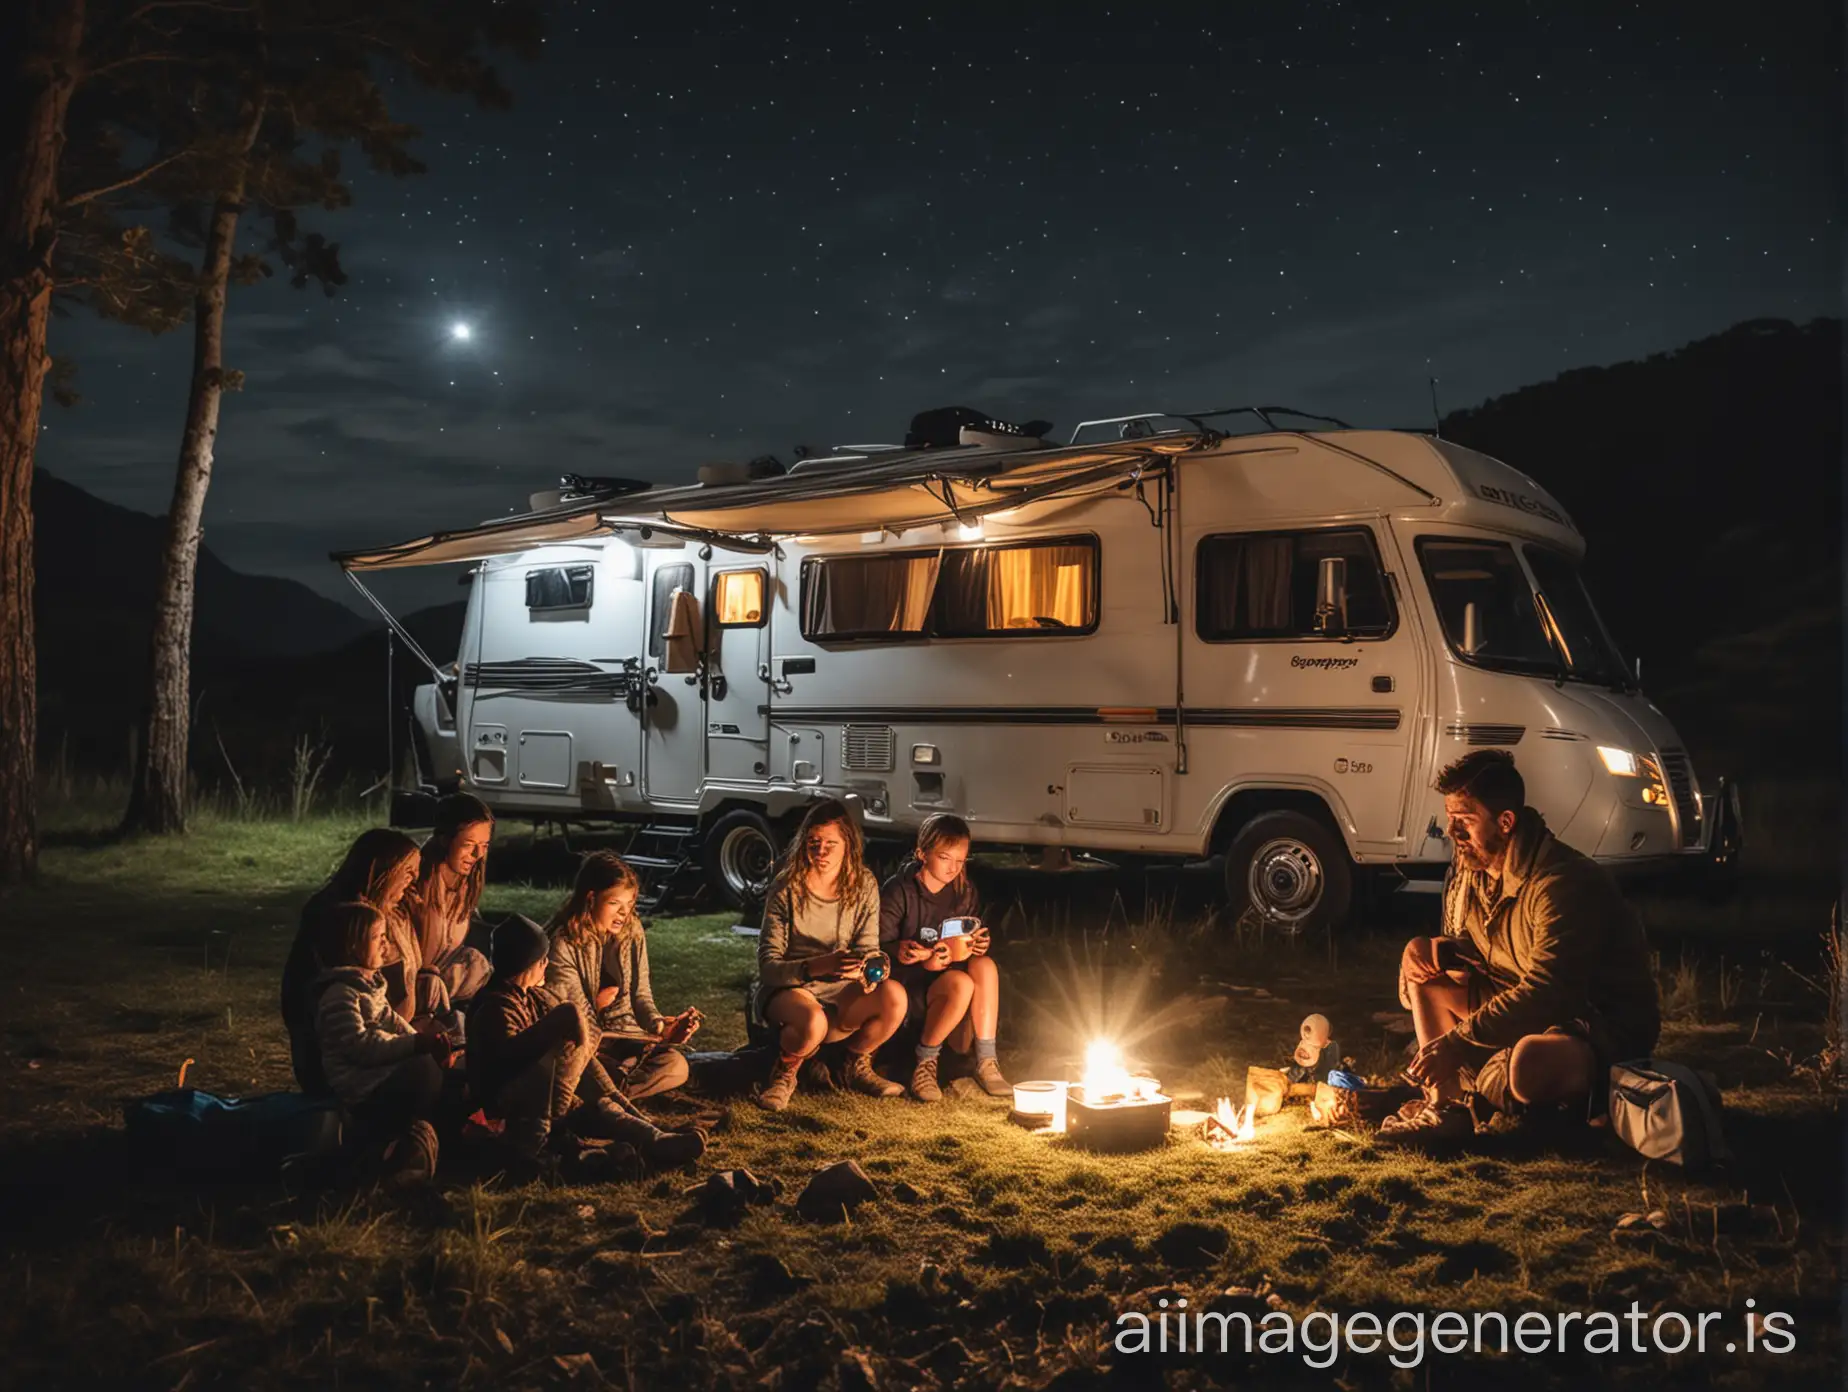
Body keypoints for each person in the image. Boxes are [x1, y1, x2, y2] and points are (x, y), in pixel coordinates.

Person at [1381, 749, 1661, 1143]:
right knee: (1428, 981)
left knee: (1527, 1066)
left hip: (1592, 1026)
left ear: (1506, 822)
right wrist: (1430, 951)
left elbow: (1550, 992)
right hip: (1524, 1009)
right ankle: (1447, 1107)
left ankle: (1506, 1089)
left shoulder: (1560, 885)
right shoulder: (1482, 871)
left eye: (1464, 822)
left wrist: (1459, 1043)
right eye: (1450, 820)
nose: (1452, 833)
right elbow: (1487, 949)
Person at [468, 916, 707, 1180]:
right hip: (521, 1109)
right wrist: (565, 1029)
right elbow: (510, 1065)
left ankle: (654, 1136)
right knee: (576, 1054)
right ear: (526, 965)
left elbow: (585, 1034)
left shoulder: (531, 995)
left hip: (558, 1091)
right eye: (541, 960)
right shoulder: (495, 1008)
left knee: (603, 1102)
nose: (546, 965)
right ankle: (579, 1125)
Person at [753, 798, 908, 1111]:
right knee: (813, 1022)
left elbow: (870, 950)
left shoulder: (863, 884)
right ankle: (785, 1072)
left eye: (830, 844)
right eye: (814, 843)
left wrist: (869, 972)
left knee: (894, 997)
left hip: (841, 988)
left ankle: (854, 1066)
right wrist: (815, 967)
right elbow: (769, 967)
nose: (820, 852)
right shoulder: (787, 887)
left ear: (847, 844)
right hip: (793, 988)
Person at [310, 900, 451, 1185]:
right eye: (378, 938)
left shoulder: (370, 986)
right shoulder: (340, 995)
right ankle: (382, 1142)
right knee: (422, 1071)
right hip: (362, 1088)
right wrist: (416, 1046)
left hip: (378, 1075)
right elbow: (360, 1047)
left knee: (435, 1070)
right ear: (353, 946)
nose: (385, 944)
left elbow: (393, 1023)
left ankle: (417, 1138)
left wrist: (426, 1042)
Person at [545, 850, 701, 1100]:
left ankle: (610, 1094)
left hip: (623, 1038)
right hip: (581, 1044)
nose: (623, 913)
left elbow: (641, 994)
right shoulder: (563, 944)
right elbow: (571, 1019)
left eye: (629, 904)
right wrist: (598, 1004)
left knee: (676, 1066)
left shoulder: (631, 931)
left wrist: (659, 1025)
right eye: (615, 903)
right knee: (583, 1066)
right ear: (591, 898)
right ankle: (610, 1094)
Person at [878, 813, 1011, 1101]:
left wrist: (977, 943)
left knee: (984, 965)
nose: (953, 868)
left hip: (948, 972)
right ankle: (924, 1062)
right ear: (921, 853)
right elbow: (879, 945)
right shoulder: (900, 891)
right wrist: (911, 953)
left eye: (961, 861)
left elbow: (964, 934)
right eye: (945, 858)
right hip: (910, 984)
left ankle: (986, 1060)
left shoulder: (963, 891)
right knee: (961, 983)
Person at [283, 829, 422, 1094]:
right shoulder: (341, 922)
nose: (413, 882)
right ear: (383, 870)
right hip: (349, 1064)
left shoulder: (385, 917)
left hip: (382, 1045)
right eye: (408, 872)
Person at [388, 793, 496, 1027]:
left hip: (441, 991)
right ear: (445, 839)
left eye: (484, 846)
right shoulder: (414, 886)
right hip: (406, 997)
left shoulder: (465, 885)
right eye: (469, 845)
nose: (478, 855)